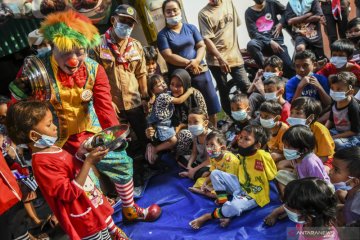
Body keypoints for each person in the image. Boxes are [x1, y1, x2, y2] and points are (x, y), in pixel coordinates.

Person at [9, 10, 161, 223]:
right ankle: (105, 229)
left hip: (90, 131)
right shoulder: (36, 70)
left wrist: (114, 138)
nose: (73, 61)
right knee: (85, 188)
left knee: (121, 161)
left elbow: (104, 107)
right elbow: (17, 109)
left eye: (79, 52)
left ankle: (129, 209)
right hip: (56, 141)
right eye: (65, 52)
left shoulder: (94, 68)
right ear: (53, 46)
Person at [5, 101, 129, 240]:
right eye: (49, 124)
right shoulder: (42, 163)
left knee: (105, 234)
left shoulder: (53, 148)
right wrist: (88, 163)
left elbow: (71, 170)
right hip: (82, 218)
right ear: (34, 136)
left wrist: (81, 155)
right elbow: (69, 193)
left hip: (90, 207)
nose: (55, 127)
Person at [90, 4, 149, 184]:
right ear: (113, 20)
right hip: (112, 106)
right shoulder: (97, 46)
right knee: (122, 142)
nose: (127, 26)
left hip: (135, 101)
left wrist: (145, 97)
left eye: (130, 23)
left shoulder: (136, 46)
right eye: (123, 21)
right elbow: (93, 78)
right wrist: (107, 101)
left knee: (144, 135)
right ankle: (132, 175)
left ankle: (150, 164)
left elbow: (141, 73)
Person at [190, 125, 276, 229]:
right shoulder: (242, 155)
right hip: (239, 186)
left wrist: (281, 195)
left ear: (257, 145)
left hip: (254, 194)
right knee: (215, 173)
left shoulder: (263, 156)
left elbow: (273, 176)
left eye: (246, 139)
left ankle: (208, 216)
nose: (240, 141)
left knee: (235, 207)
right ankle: (224, 206)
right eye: (241, 137)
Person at [157, 0, 221, 126]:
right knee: (190, 107)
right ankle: (195, 137)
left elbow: (201, 45)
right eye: (168, 11)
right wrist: (190, 63)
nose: (172, 13)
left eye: (175, 9)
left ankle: (213, 130)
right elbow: (168, 56)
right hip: (182, 78)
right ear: (164, 14)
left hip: (200, 72)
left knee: (210, 104)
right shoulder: (162, 35)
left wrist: (197, 61)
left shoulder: (191, 28)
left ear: (180, 10)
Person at [265, 126, 332, 226]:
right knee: (280, 175)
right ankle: (288, 203)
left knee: (305, 204)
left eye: (289, 147)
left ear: (304, 149)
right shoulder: (296, 157)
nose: (285, 149)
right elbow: (297, 172)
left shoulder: (311, 162)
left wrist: (298, 194)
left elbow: (318, 186)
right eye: (285, 145)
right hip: (303, 182)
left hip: (317, 190)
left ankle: (283, 209)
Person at [198, 0, 250, 118]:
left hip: (234, 56)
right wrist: (220, 59)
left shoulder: (228, 3)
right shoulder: (204, 14)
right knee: (224, 91)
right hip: (216, 61)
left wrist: (237, 47)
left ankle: (250, 116)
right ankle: (233, 119)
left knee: (247, 87)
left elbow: (233, 29)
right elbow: (207, 40)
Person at [145, 69, 208, 159]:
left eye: (179, 85)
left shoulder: (195, 95)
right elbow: (152, 118)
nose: (174, 88)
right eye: (172, 84)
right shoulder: (167, 96)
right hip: (172, 134)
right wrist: (150, 129)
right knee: (184, 135)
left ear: (186, 84)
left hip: (196, 131)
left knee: (188, 134)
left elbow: (204, 119)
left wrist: (181, 126)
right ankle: (180, 156)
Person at [245, 0, 295, 79]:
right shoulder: (249, 12)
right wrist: (270, 41)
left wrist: (281, 23)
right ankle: (266, 72)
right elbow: (252, 33)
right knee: (251, 44)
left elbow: (286, 12)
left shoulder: (272, 3)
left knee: (290, 67)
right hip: (261, 42)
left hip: (277, 41)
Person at [287, 97, 335, 171]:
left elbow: (325, 156)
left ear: (310, 118)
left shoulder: (320, 130)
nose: (292, 116)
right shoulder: (292, 128)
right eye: (291, 112)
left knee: (320, 171)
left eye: (298, 113)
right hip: (301, 159)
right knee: (281, 165)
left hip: (323, 160)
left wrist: (306, 165)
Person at [188, 130, 239, 199]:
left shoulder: (229, 159)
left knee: (217, 191)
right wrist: (205, 183)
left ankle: (205, 193)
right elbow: (212, 173)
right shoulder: (213, 157)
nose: (209, 148)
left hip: (232, 183)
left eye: (212, 144)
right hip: (218, 180)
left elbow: (230, 179)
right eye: (207, 144)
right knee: (200, 181)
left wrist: (212, 187)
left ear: (222, 147)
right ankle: (208, 192)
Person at [0, 152, 37, 240]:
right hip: (4, 203)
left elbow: (9, 162)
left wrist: (23, 179)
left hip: (11, 197)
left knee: (20, 231)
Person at [325, 72, 360, 150]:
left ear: (350, 91)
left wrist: (332, 137)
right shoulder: (335, 102)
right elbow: (330, 120)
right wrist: (323, 131)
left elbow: (355, 131)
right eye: (332, 88)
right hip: (337, 132)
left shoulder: (353, 107)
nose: (334, 92)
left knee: (337, 143)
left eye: (339, 89)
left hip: (352, 136)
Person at [178, 108, 211, 181]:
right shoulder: (195, 135)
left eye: (196, 122)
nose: (192, 125)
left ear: (205, 123)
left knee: (205, 173)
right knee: (180, 159)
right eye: (189, 122)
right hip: (201, 161)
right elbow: (194, 153)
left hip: (211, 163)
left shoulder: (211, 137)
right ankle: (193, 172)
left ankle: (192, 173)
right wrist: (189, 165)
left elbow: (209, 160)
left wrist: (194, 169)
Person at [330, 147, 360, 226]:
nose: (330, 171)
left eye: (336, 169)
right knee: (339, 192)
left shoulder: (353, 210)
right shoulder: (353, 190)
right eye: (332, 167)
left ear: (354, 181)